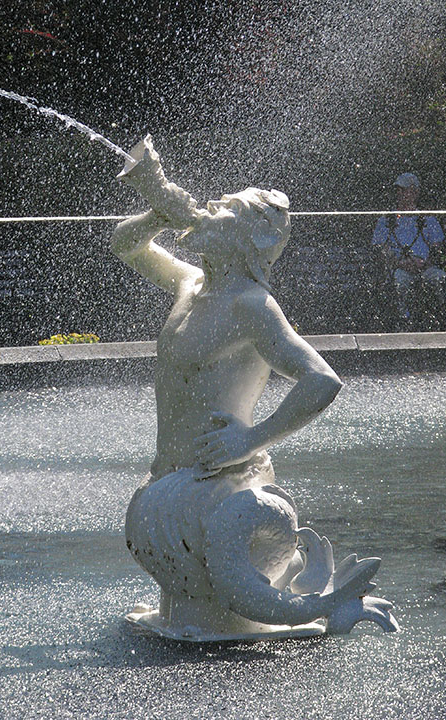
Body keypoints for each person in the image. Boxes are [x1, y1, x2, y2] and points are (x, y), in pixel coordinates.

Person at [107, 137, 395, 634]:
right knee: (187, 613)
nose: (203, 209)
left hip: (222, 491)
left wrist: (250, 438)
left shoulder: (251, 305)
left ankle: (283, 615)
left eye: (219, 209)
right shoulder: (192, 284)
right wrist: (157, 214)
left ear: (244, 237)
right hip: (170, 478)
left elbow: (321, 379)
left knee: (216, 611)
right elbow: (125, 245)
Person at [372, 173, 446, 325]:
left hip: (426, 268)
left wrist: (424, 263)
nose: (401, 194)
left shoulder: (428, 219)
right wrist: (400, 263)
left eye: (405, 190)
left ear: (416, 192)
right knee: (398, 281)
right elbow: (381, 249)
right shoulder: (386, 219)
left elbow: (437, 249)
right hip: (399, 268)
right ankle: (403, 322)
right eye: (398, 190)